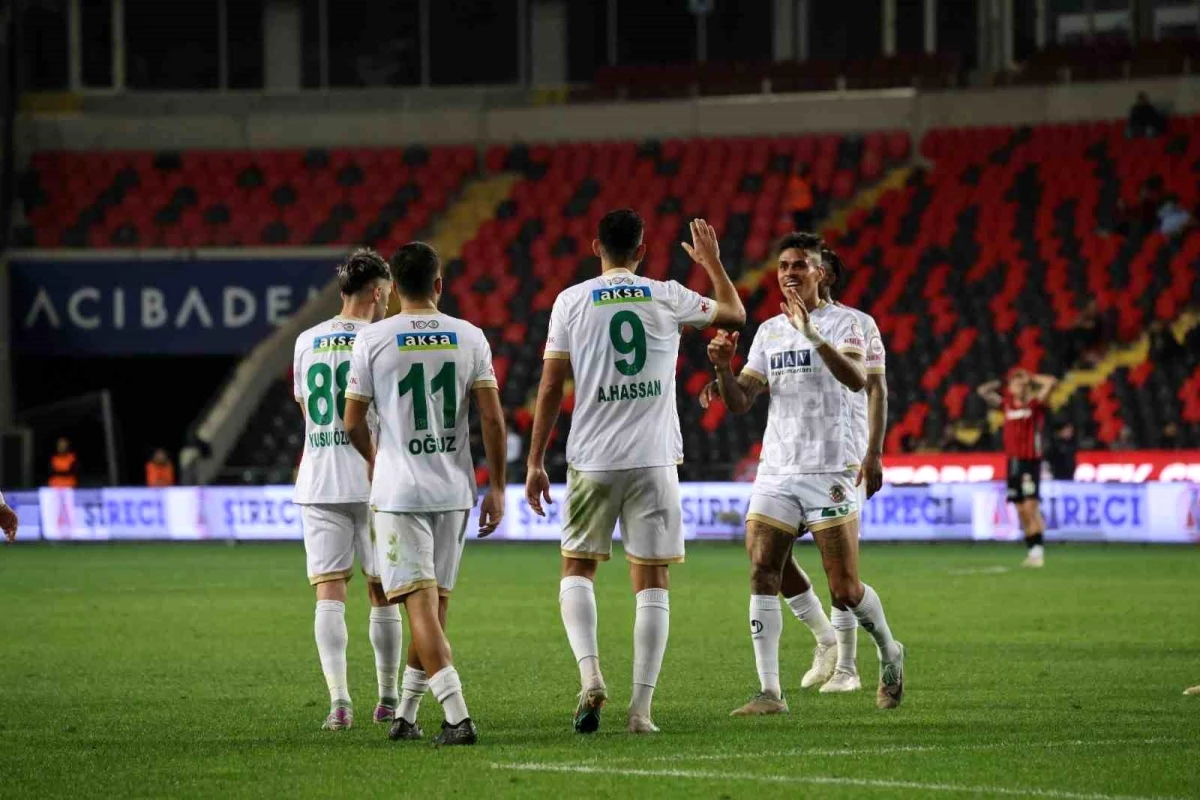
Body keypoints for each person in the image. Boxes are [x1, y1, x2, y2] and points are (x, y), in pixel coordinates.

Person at [524, 210, 745, 735]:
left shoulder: (571, 301)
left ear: (594, 244)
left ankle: (591, 675)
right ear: (643, 250)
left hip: (592, 460)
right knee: (653, 580)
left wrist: (535, 460)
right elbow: (734, 314)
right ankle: (641, 711)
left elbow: (552, 385)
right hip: (654, 459)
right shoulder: (666, 293)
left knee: (577, 569)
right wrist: (712, 264)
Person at [709, 232, 905, 714]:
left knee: (845, 589)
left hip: (832, 466)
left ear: (823, 273)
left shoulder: (851, 324)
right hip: (778, 468)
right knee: (761, 566)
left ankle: (889, 651)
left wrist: (812, 333)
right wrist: (723, 369)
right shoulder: (769, 332)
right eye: (783, 266)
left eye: (800, 264)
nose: (789, 272)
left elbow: (859, 381)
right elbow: (741, 401)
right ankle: (769, 692)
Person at [344, 242, 507, 746]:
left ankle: (457, 717)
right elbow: (492, 418)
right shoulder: (470, 336)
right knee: (432, 609)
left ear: (395, 292)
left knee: (417, 606)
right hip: (454, 489)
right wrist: (498, 485)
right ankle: (408, 715)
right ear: (439, 285)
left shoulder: (373, 339)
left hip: (400, 492)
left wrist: (376, 460)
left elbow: (351, 421)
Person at [291, 248, 401, 732]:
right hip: (375, 480)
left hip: (319, 479)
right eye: (389, 290)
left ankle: (339, 703)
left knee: (329, 594)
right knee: (383, 592)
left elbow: (306, 412)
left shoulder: (305, 341)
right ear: (377, 292)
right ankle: (388, 698)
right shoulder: (381, 339)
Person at [977, 368, 1057, 568]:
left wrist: (1031, 378)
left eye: (1021, 384)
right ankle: (1032, 551)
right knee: (1021, 509)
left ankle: (1038, 552)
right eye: (1015, 383)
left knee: (1031, 507)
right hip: (1013, 462)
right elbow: (983, 391)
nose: (1018, 386)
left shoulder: (1035, 404)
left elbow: (1051, 382)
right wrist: (1001, 381)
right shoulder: (1006, 405)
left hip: (1030, 461)